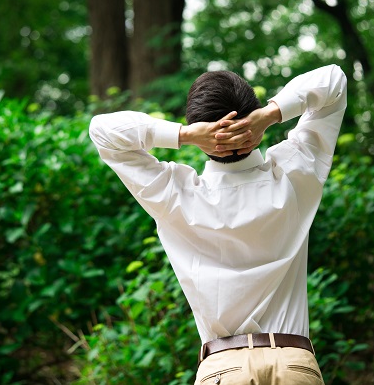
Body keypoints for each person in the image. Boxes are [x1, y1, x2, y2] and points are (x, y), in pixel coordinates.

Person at [89, 64, 347, 384]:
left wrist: (183, 136)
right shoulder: (295, 173)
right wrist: (270, 114)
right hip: (294, 364)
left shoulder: (176, 195)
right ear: (252, 118)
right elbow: (333, 81)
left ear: (200, 131)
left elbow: (101, 130)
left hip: (224, 368)